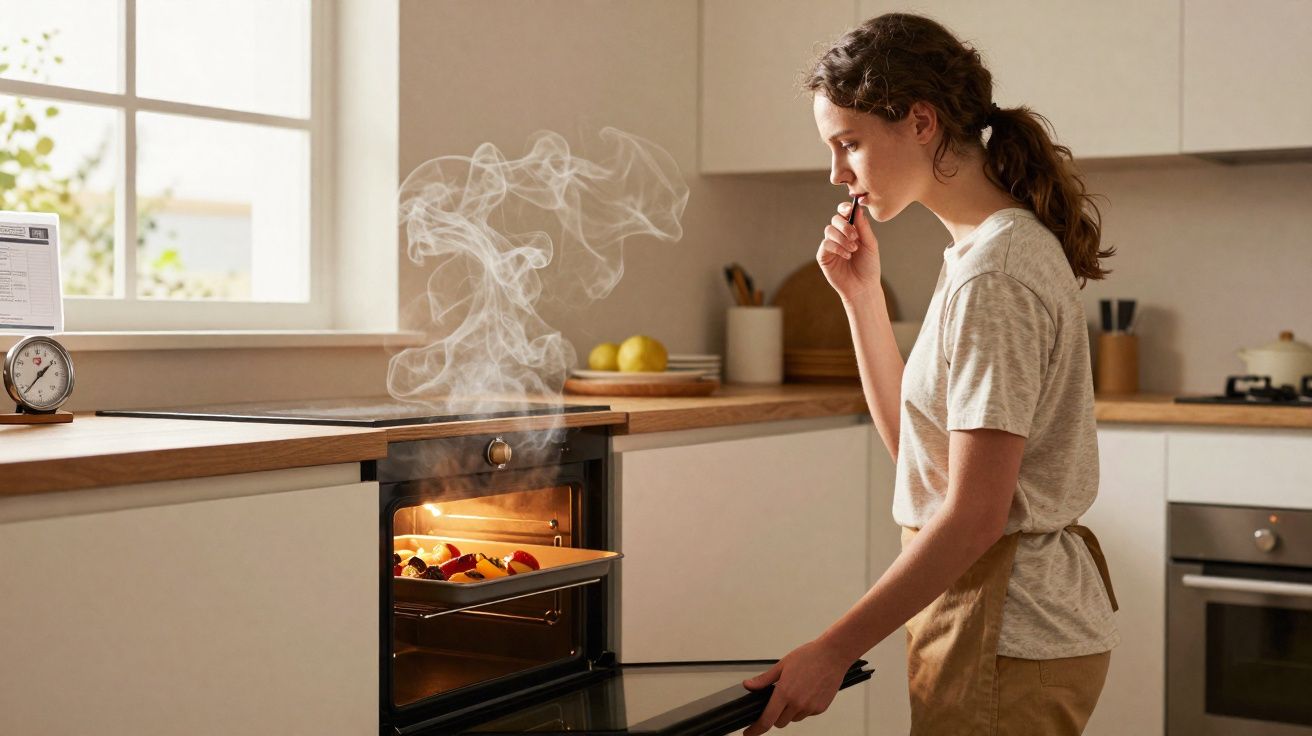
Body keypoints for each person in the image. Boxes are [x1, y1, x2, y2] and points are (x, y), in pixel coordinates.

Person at [742, 13, 1120, 736]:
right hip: (987, 620)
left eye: (848, 143)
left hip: (1006, 629)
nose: (836, 173)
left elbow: (975, 515)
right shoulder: (980, 253)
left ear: (921, 121)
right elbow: (925, 465)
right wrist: (861, 299)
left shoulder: (995, 273)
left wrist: (832, 650)